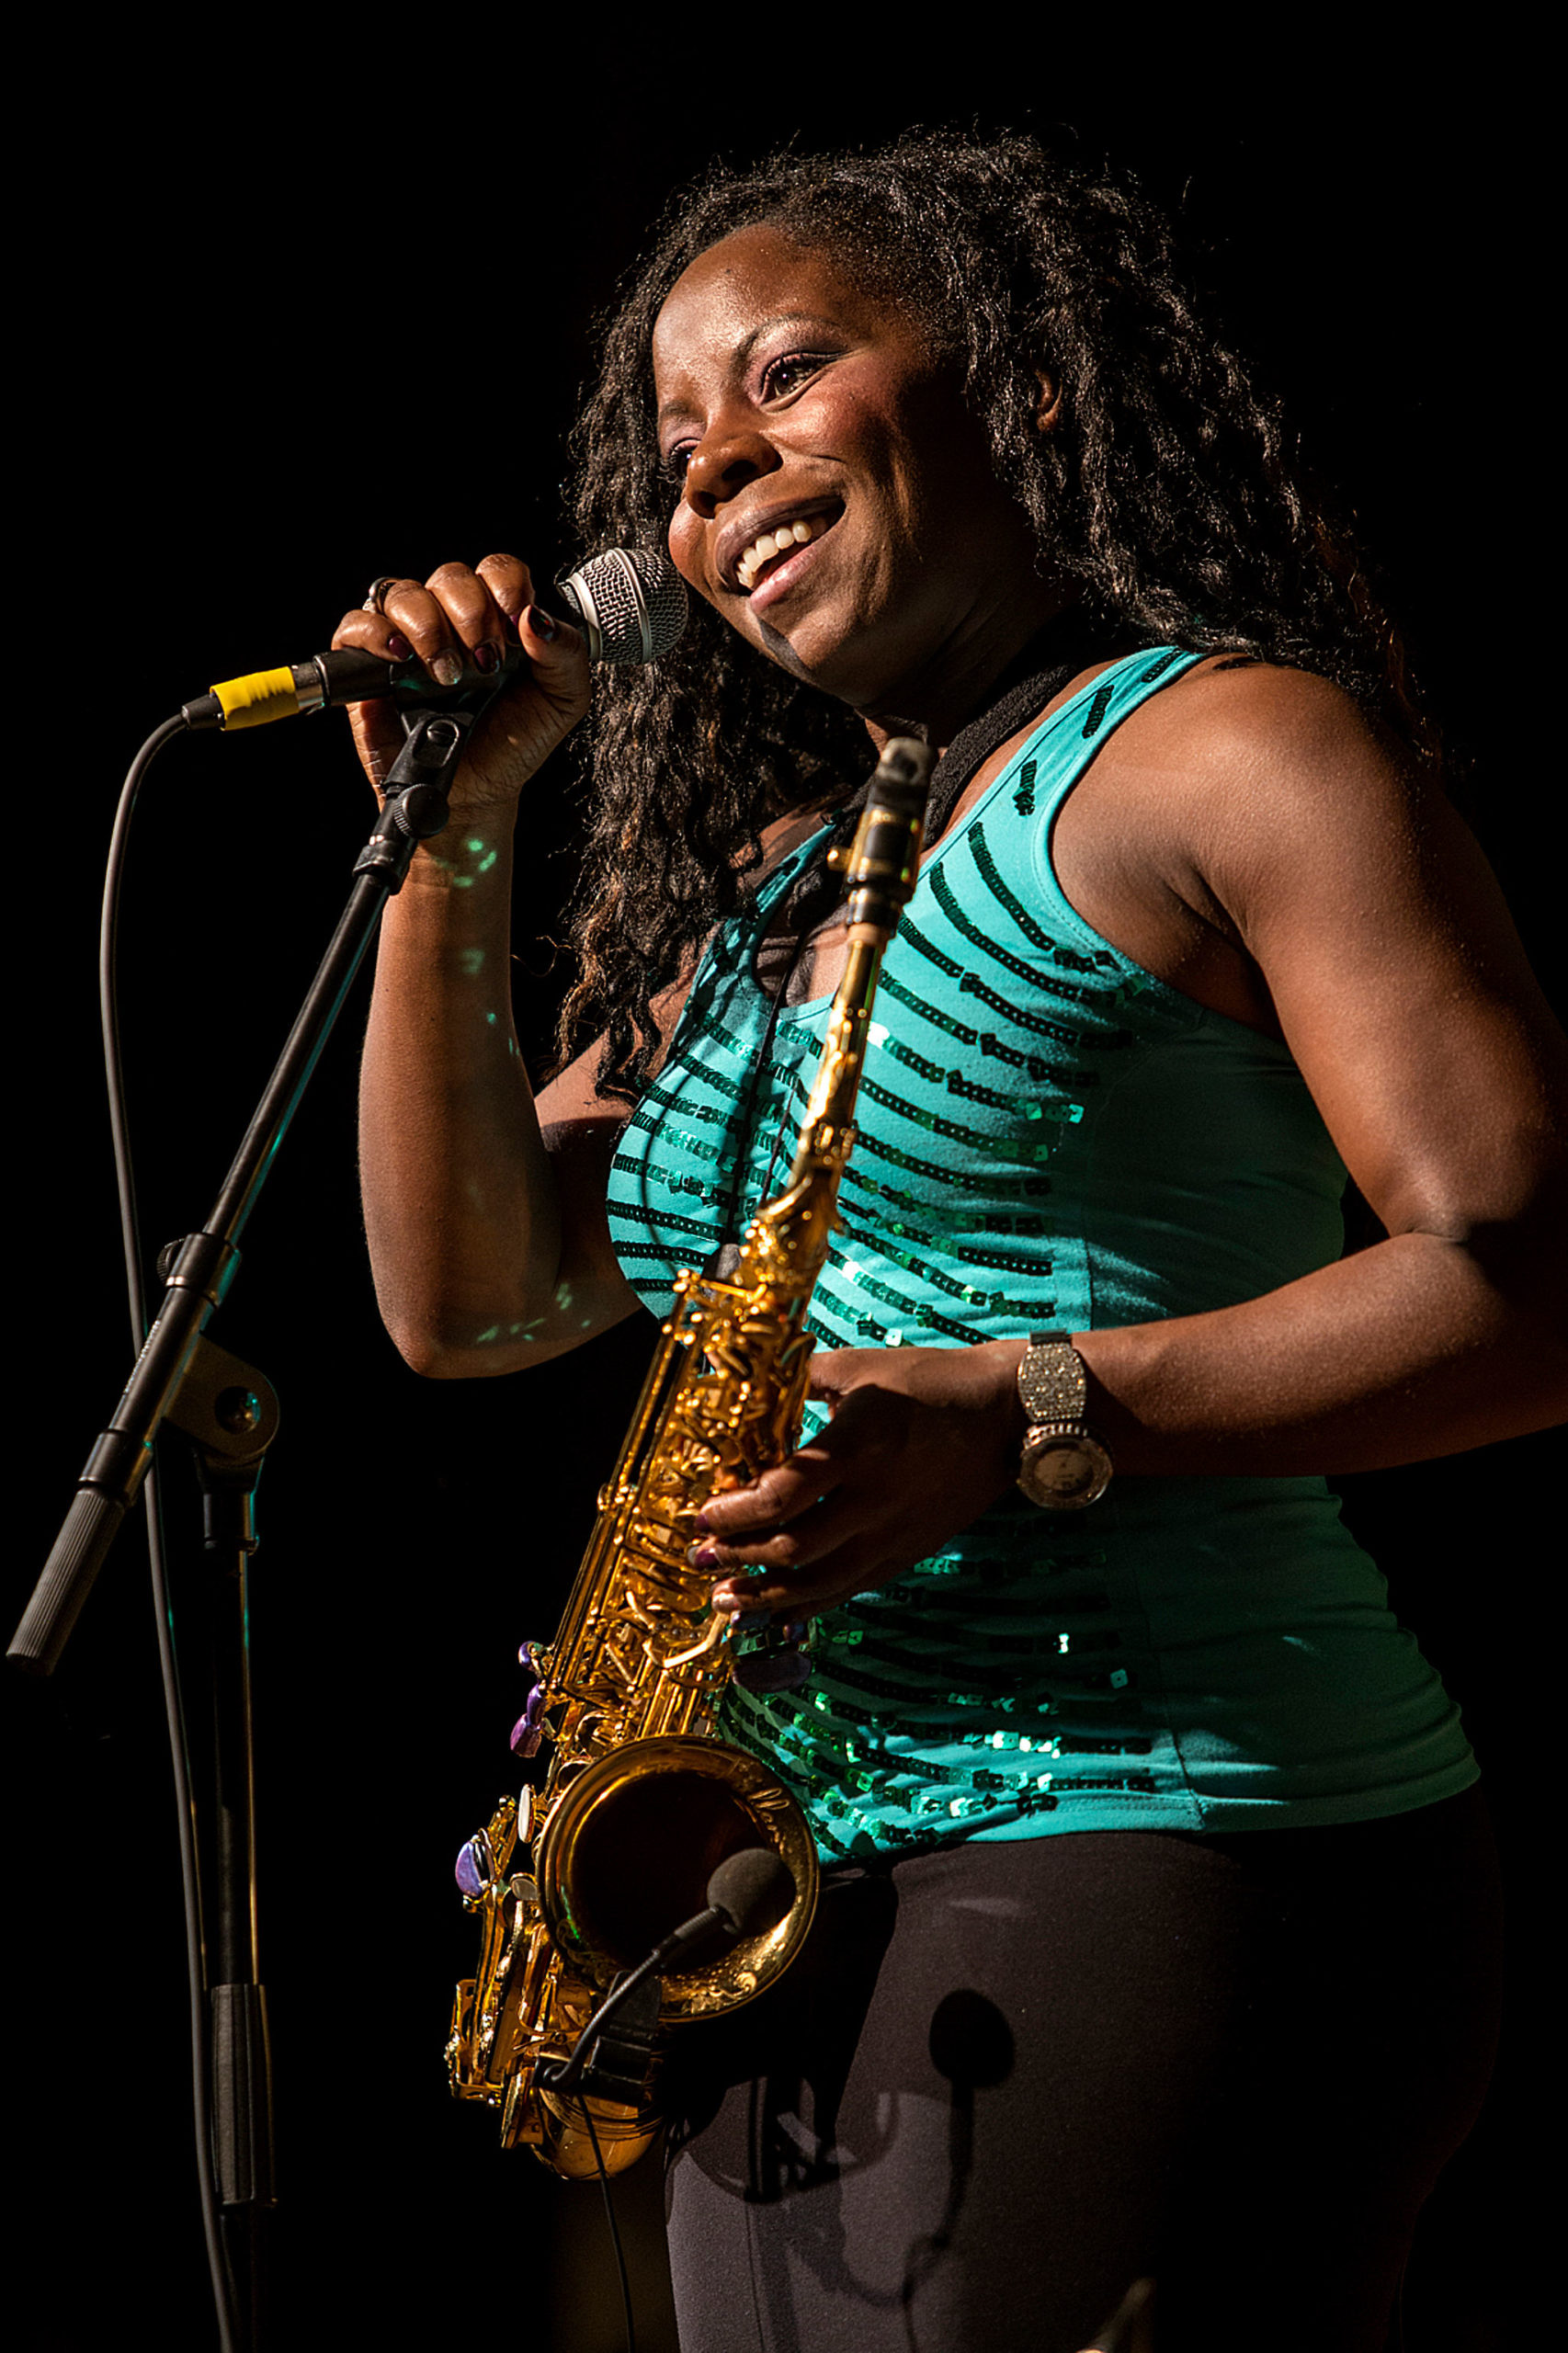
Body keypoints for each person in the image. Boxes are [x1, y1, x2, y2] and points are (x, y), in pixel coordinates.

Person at [338, 133, 1563, 2353]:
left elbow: (1518, 1287)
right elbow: (473, 1301)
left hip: (1169, 1817)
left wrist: (1024, 1414)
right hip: (780, 1868)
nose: (717, 472)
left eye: (785, 375)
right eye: (676, 457)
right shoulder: (762, 894)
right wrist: (455, 829)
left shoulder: (1224, 754)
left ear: (1019, 385)